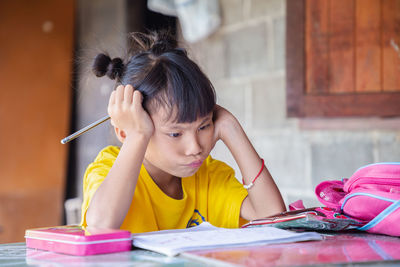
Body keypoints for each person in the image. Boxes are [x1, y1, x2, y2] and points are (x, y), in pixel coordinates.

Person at [80, 30, 285, 233]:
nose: (195, 148)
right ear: (124, 133)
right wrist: (137, 135)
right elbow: (101, 226)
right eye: (175, 134)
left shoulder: (208, 176)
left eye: (204, 126)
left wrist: (231, 128)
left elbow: (273, 217)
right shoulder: (108, 168)